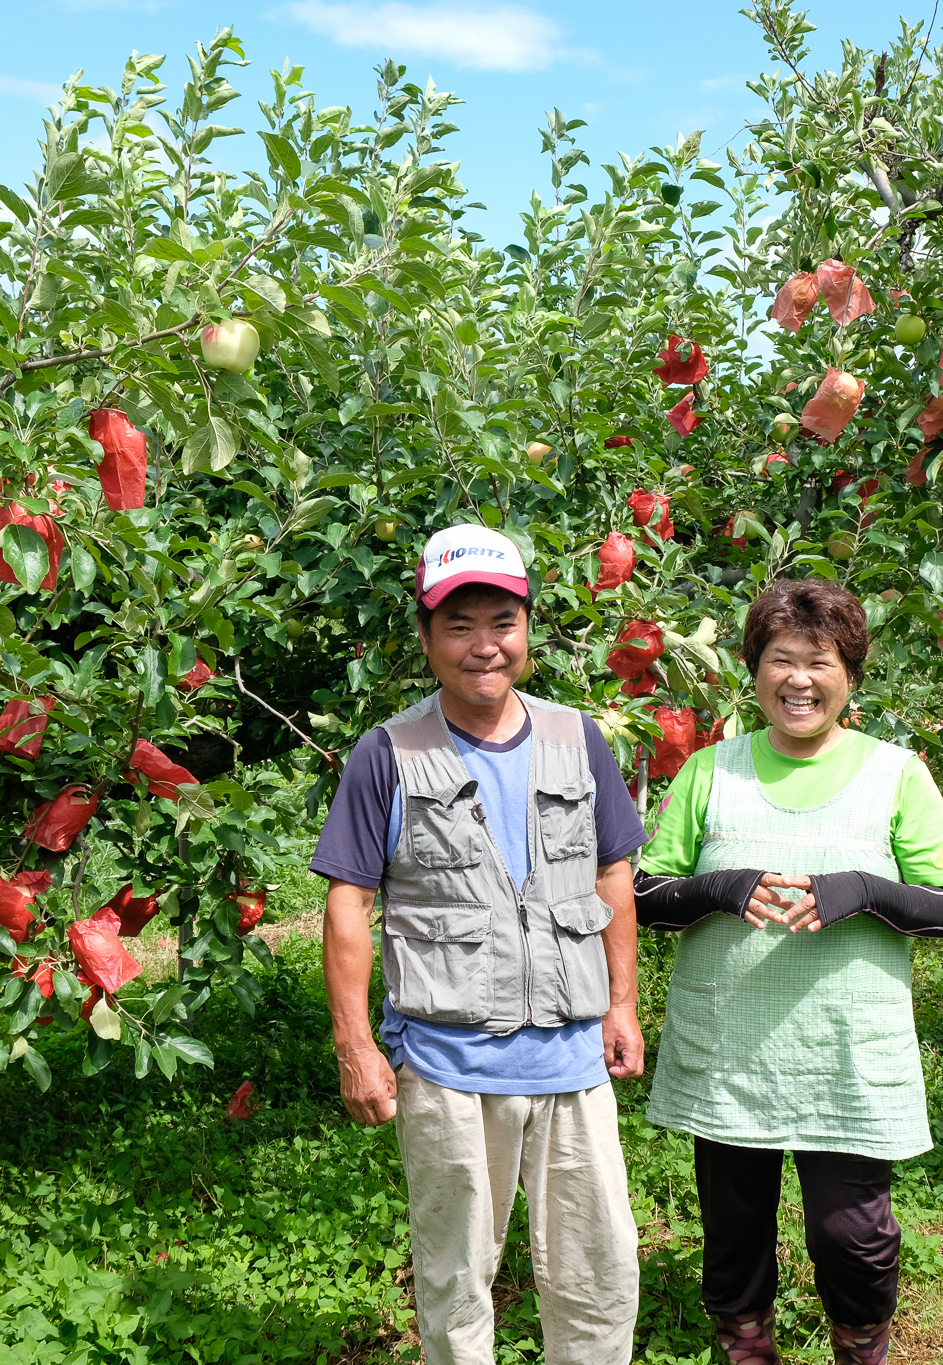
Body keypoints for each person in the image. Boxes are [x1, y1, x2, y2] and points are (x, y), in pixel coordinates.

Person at [312, 523, 647, 1365]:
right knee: (457, 1283)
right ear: (426, 638)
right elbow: (348, 903)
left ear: (528, 627)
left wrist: (625, 1004)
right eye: (458, 625)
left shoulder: (580, 738)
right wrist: (355, 1044)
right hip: (449, 1070)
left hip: (573, 1064)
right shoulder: (386, 753)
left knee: (600, 1277)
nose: (483, 645)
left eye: (501, 620)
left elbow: (614, 874)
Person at [633, 578, 943, 1365]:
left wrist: (862, 890)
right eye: (781, 659)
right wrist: (719, 886)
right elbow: (646, 892)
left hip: (843, 1050)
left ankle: (860, 1346)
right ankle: (746, 1347)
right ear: (754, 670)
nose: (799, 679)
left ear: (850, 672)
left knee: (851, 1234)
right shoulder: (712, 771)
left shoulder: (897, 775)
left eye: (819, 660)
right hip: (731, 1050)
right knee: (734, 1227)